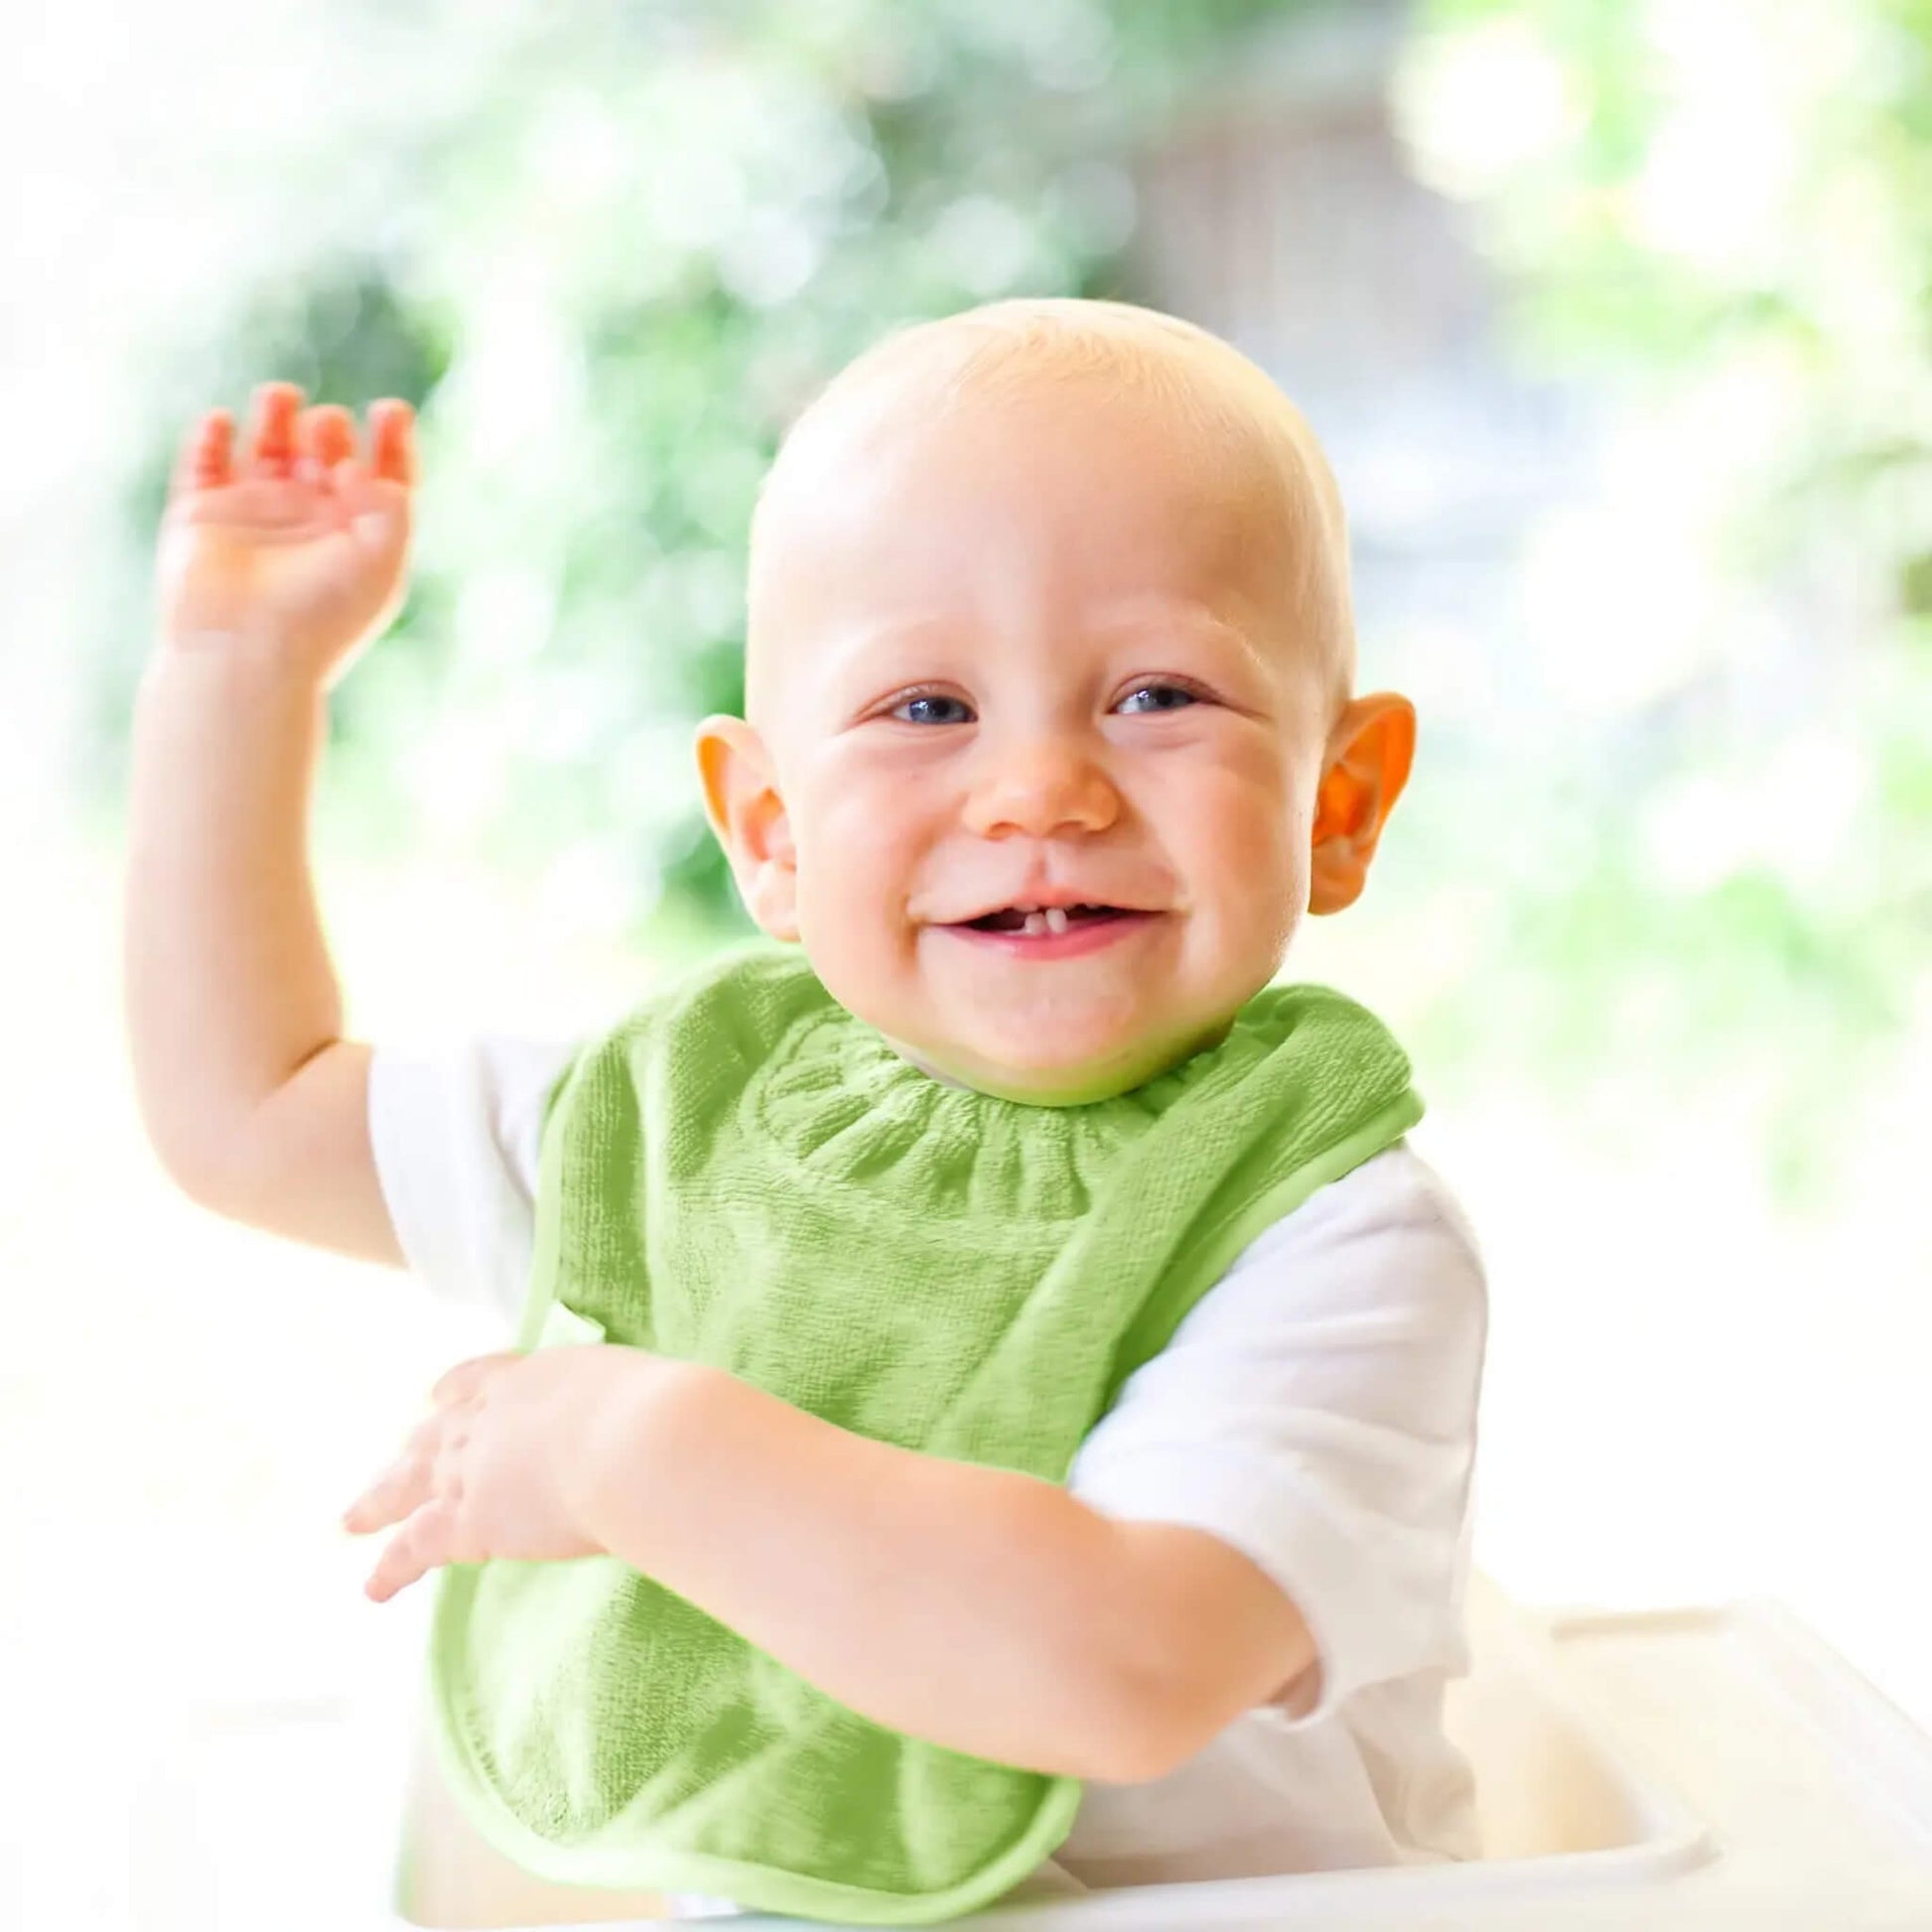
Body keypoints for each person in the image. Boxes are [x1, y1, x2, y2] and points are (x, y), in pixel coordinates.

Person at [124, 297, 1488, 1922]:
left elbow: (1131, 1663)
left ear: (1338, 803)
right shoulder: (685, 1117)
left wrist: (636, 1442)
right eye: (926, 708)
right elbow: (249, 1112)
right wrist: (235, 673)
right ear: (769, 831)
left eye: (1156, 696)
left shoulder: (1329, 1231)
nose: (1041, 787)